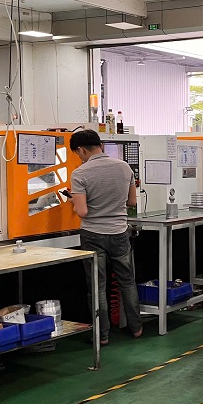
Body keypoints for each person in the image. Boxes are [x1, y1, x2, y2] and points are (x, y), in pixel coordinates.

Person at [67, 129, 142, 345]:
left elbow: (82, 212)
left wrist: (73, 201)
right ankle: (136, 328)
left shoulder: (80, 173)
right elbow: (132, 202)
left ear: (81, 150)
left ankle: (102, 335)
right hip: (119, 232)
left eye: (77, 153)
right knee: (127, 281)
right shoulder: (125, 167)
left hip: (93, 235)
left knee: (97, 285)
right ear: (100, 145)